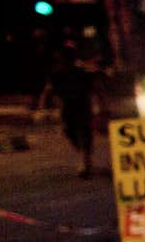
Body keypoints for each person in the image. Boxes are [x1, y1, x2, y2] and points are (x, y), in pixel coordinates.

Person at [38, 43, 99, 178]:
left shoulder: (81, 72)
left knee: (85, 132)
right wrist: (42, 106)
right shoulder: (57, 74)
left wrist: (98, 105)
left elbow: (93, 89)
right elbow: (48, 90)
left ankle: (85, 159)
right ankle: (82, 152)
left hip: (83, 105)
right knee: (70, 131)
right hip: (68, 107)